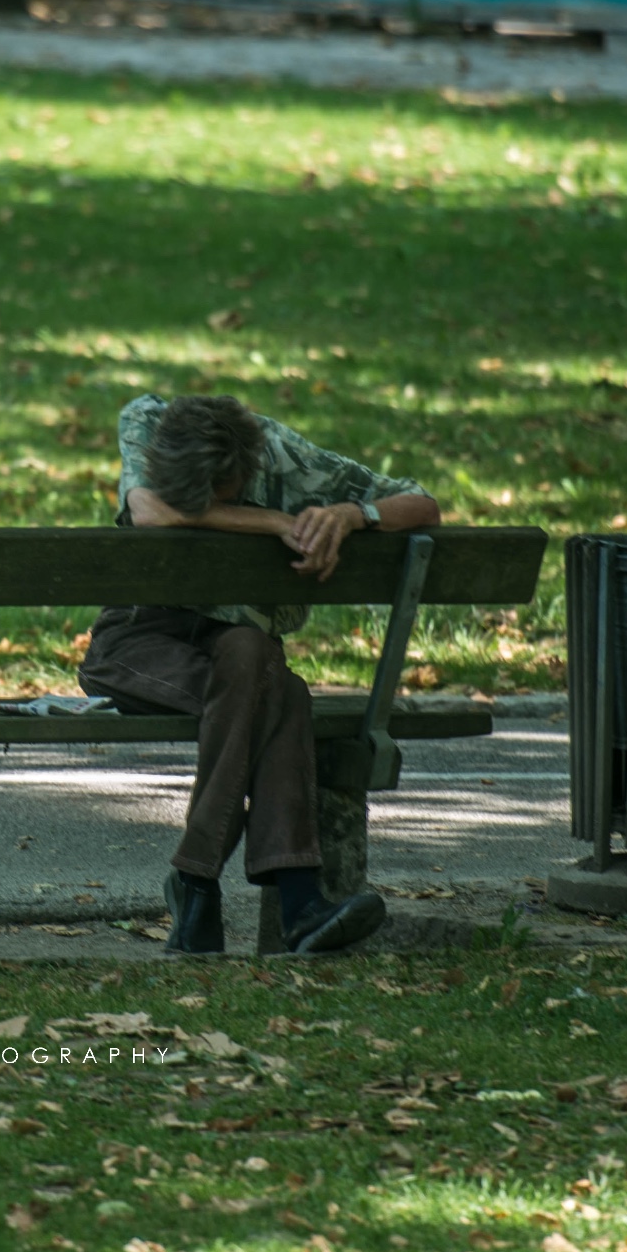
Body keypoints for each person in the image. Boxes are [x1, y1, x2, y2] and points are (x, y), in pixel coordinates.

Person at [78, 393, 441, 956]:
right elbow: (152, 511)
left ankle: (198, 887)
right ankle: (296, 902)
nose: (199, 504)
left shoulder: (284, 456)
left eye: (214, 497)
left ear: (246, 469)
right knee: (282, 692)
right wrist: (278, 521)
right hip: (136, 644)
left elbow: (421, 504)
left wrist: (352, 513)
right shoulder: (144, 420)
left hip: (235, 653)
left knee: (253, 656)